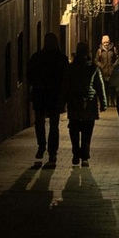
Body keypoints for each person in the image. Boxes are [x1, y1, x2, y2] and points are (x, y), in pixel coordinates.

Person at [61, 41, 107, 167]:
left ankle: (76, 154)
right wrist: (103, 103)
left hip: (75, 101)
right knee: (87, 131)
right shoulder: (93, 68)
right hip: (89, 102)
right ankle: (84, 156)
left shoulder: (71, 68)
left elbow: (65, 86)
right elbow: (99, 86)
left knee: (74, 130)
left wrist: (62, 101)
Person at [28, 32, 67, 168]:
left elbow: (29, 75)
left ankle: (47, 149)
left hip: (47, 95)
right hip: (48, 95)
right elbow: (30, 75)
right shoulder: (59, 58)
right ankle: (47, 149)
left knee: (46, 123)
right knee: (47, 124)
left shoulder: (39, 57)